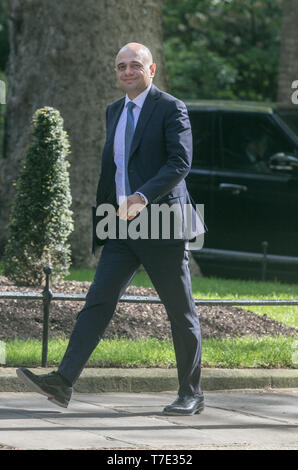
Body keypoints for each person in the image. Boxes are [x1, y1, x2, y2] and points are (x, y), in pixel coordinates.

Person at [16, 42, 205, 416]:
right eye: (121, 66)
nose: (127, 72)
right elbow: (115, 168)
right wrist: (107, 215)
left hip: (162, 222)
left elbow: (179, 163)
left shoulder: (170, 108)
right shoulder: (113, 110)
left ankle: (191, 393)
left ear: (151, 71)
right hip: (121, 226)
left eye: (135, 65)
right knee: (98, 302)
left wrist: (141, 196)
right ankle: (63, 382)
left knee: (179, 311)